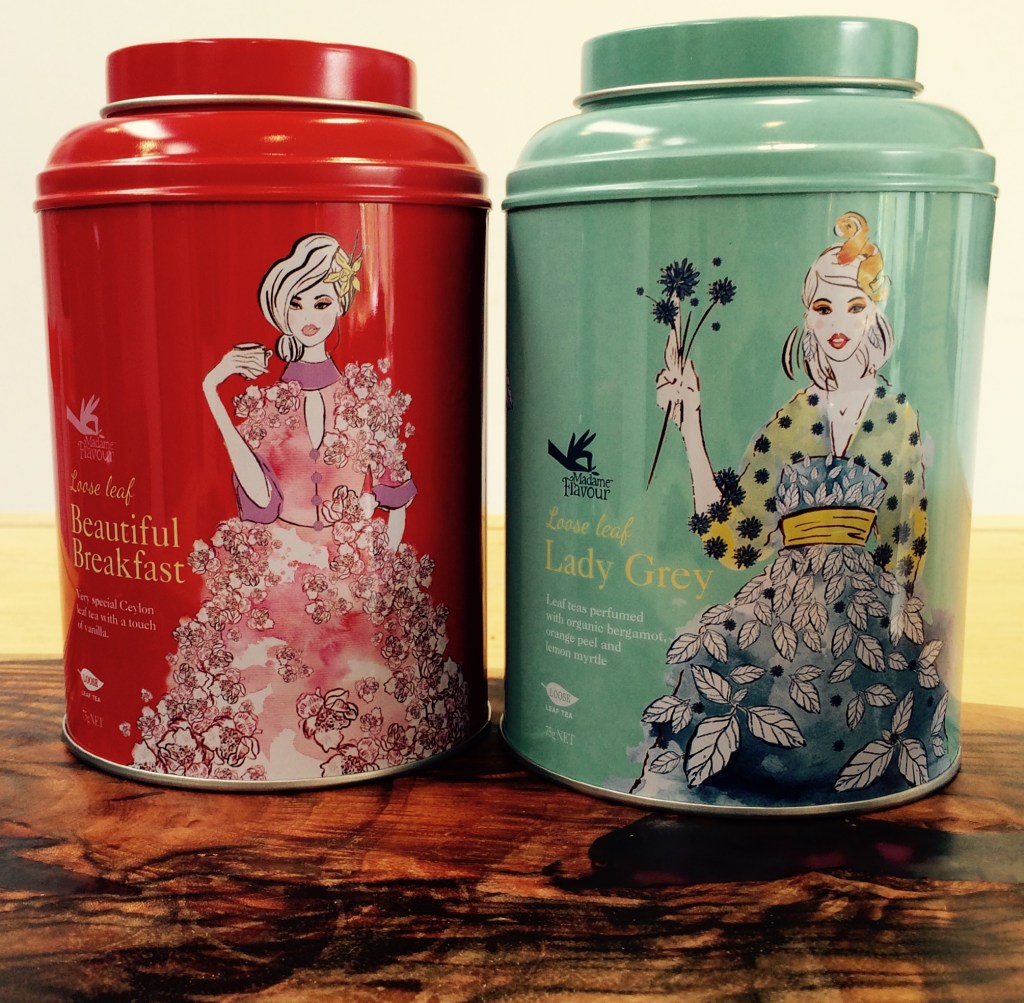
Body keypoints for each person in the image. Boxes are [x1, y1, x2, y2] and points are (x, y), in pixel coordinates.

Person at [631, 213, 949, 806]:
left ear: (876, 315)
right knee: (712, 648)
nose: (838, 323)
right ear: (807, 319)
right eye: (824, 308)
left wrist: (905, 621)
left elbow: (906, 542)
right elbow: (731, 539)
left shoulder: (898, 415)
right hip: (783, 599)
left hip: (865, 605)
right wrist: (690, 425)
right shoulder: (791, 420)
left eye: (855, 306)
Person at [131, 233, 470, 782]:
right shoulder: (268, 404)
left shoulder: (363, 395)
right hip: (281, 569)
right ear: (280, 311)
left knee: (372, 691)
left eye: (321, 301)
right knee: (256, 692)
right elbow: (261, 502)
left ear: (340, 306)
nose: (309, 316)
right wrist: (213, 389)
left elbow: (394, 490)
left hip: (356, 569)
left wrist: (381, 561)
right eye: (296, 302)